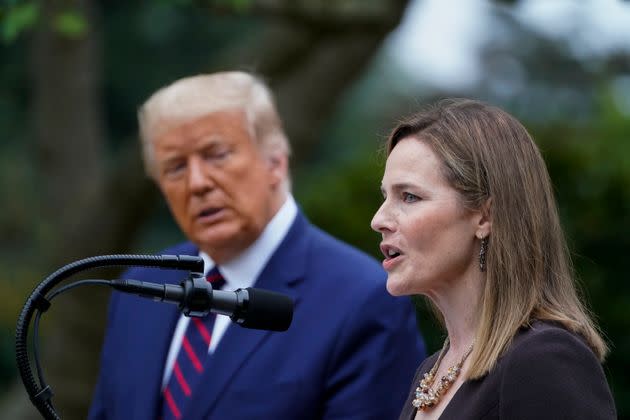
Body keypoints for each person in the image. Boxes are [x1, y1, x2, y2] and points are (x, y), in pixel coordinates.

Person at [88, 71, 426, 420]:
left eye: (216, 155)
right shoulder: (140, 289)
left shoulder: (362, 299)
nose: (197, 183)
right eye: (175, 168)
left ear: (275, 162)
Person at [371, 99, 616, 420]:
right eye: (385, 196)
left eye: (409, 197)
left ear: (485, 216)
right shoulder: (431, 371)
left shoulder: (544, 362)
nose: (379, 219)